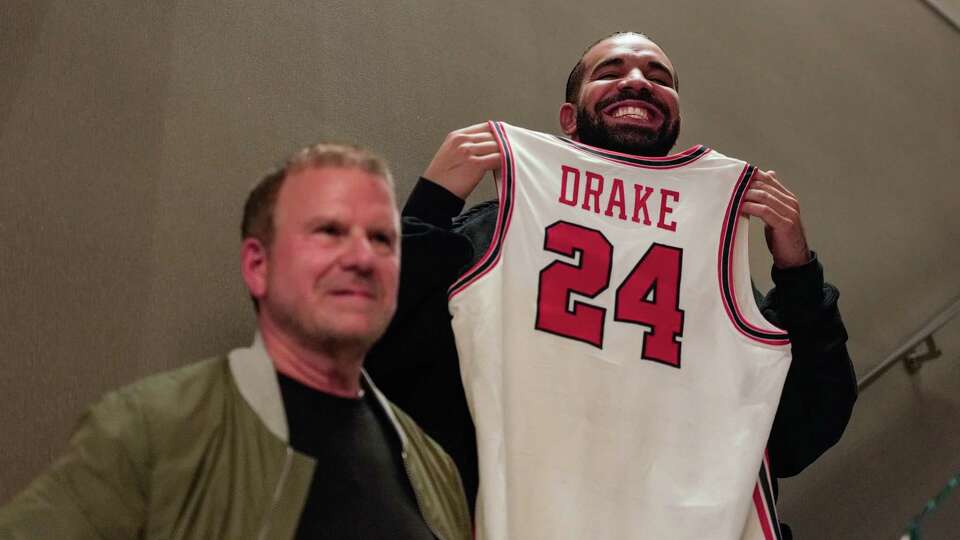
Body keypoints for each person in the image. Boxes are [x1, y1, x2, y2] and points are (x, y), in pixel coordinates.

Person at [366, 32, 857, 539]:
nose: (638, 81)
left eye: (659, 77)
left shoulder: (717, 267)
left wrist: (799, 276)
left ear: (676, 116)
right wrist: (429, 209)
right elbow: (380, 356)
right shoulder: (497, 228)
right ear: (569, 119)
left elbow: (803, 433)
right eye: (611, 70)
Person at [0, 143, 471, 540]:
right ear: (257, 265)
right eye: (329, 231)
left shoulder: (435, 470)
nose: (362, 258)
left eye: (382, 240)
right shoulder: (150, 431)